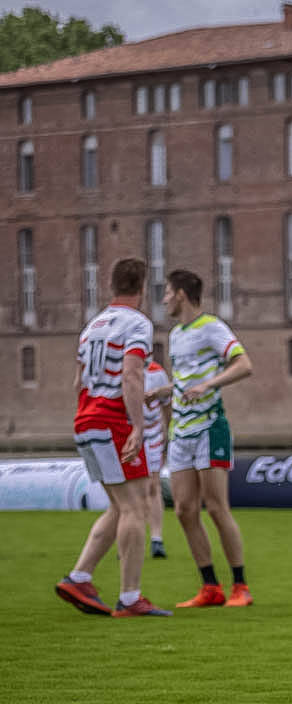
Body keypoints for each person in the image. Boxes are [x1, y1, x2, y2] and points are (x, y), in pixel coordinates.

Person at [53, 258, 172, 617]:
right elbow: (132, 375)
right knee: (136, 507)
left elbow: (78, 382)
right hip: (111, 421)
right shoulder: (137, 323)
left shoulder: (92, 327)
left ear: (111, 285)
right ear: (142, 287)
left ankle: (79, 577)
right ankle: (131, 597)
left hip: (86, 418)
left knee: (119, 505)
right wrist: (137, 425)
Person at [163, 270, 255, 608]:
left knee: (216, 508)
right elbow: (186, 380)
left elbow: (244, 365)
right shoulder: (175, 335)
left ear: (182, 295)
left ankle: (240, 586)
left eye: (167, 293)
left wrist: (210, 385)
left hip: (209, 427)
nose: (164, 299)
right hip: (181, 431)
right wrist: (164, 390)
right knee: (185, 511)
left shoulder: (212, 327)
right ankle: (210, 587)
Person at [142, 348, 173, 559]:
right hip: (127, 433)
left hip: (152, 434)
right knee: (131, 491)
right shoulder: (122, 371)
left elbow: (166, 406)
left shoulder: (157, 372)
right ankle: (127, 538)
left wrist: (168, 434)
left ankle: (156, 539)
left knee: (153, 485)